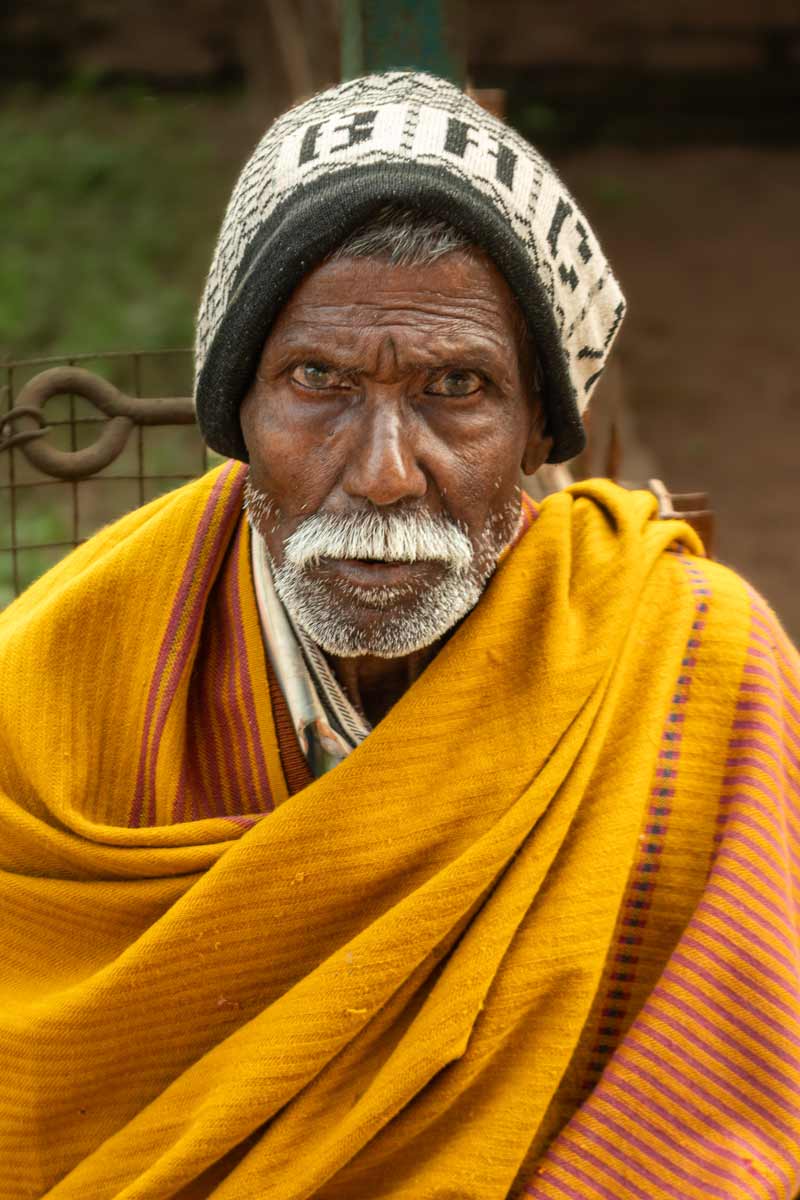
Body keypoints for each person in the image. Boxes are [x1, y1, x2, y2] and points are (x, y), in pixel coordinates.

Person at [0, 72, 798, 1200]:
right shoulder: (50, 699)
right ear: (239, 413)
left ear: (534, 432)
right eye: (316, 380)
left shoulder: (691, 667)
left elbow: (728, 1115)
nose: (381, 472)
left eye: (456, 387)